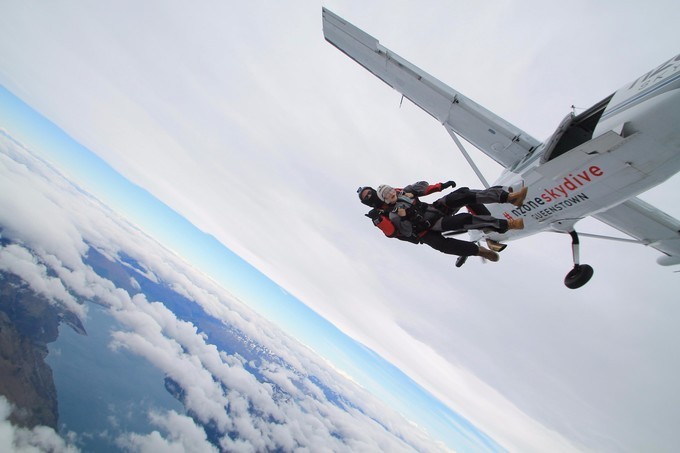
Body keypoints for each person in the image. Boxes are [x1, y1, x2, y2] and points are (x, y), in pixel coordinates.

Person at [358, 181, 527, 262]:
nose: (390, 194)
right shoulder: (384, 215)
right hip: (423, 230)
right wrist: (385, 219)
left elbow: (420, 188)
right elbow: (395, 232)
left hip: (431, 211)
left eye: (369, 192)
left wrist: (440, 186)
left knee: (461, 194)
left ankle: (509, 198)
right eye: (366, 197)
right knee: (445, 242)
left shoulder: (399, 192)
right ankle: (479, 250)